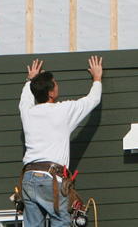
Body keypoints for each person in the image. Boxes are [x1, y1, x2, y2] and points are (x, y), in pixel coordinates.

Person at [19, 56, 104, 227]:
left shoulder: (27, 112)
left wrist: (31, 78)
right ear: (51, 93)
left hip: (28, 179)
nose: (57, 86)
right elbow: (92, 100)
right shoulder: (63, 111)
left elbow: (26, 96)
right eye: (55, 84)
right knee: (61, 223)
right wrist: (97, 78)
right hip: (51, 180)